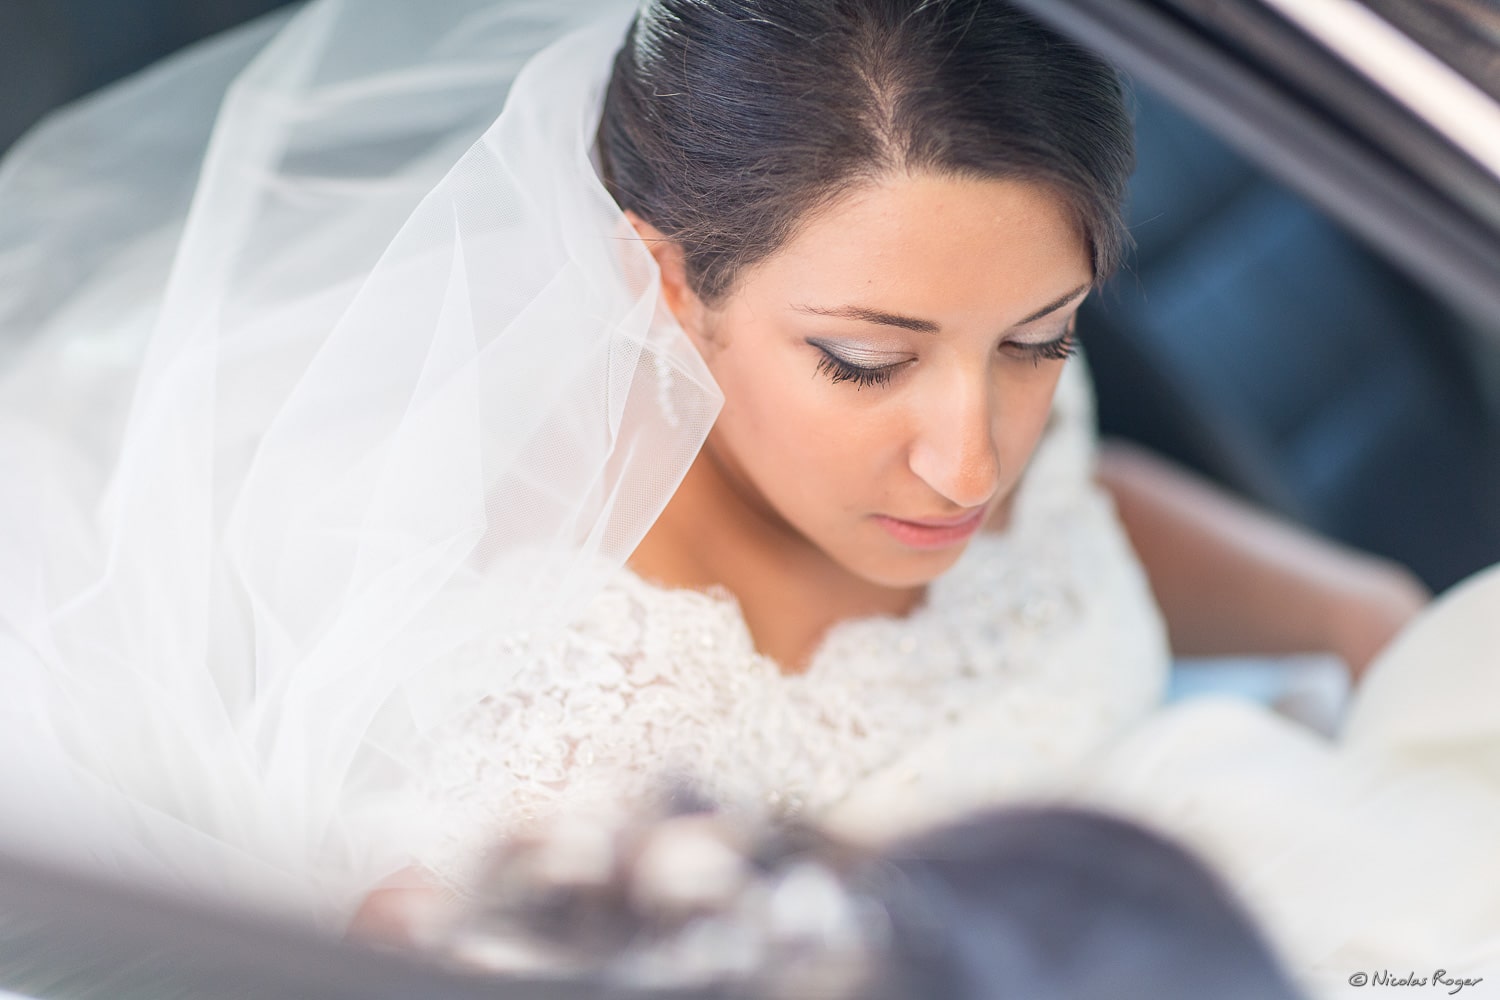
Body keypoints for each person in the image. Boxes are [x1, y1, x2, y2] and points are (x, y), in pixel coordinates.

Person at [0, 1, 1495, 997]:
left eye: (1042, 343)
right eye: (862, 363)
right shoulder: (521, 770)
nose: (971, 462)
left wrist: (1364, 618)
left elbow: (1081, 495)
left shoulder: (969, 422)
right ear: (663, 280)